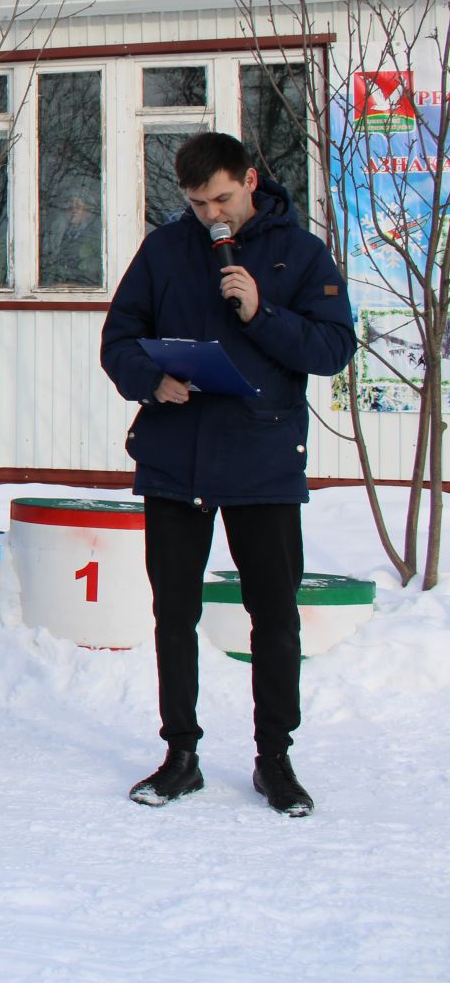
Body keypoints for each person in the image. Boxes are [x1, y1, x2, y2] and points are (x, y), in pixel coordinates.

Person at [101, 132, 355, 817]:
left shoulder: (299, 254)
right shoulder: (165, 250)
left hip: (263, 460)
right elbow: (118, 339)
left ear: (249, 179)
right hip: (175, 456)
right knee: (173, 613)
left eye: (221, 197)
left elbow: (333, 349)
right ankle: (180, 754)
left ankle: (275, 758)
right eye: (196, 202)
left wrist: (261, 312)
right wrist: (153, 381)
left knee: (272, 615)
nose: (211, 213)